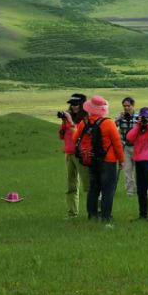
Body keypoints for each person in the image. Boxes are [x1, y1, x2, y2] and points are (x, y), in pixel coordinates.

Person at [73, 95, 125, 225]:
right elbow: (117, 143)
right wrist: (122, 160)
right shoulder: (108, 123)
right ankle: (106, 217)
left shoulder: (83, 123)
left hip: (90, 160)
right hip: (108, 161)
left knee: (93, 188)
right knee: (107, 189)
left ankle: (92, 215)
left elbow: (75, 140)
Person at [58, 92, 88, 219]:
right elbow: (61, 136)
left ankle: (96, 212)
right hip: (69, 154)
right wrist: (64, 122)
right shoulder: (68, 117)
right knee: (71, 186)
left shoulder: (86, 118)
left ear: (82, 104)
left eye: (76, 104)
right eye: (72, 104)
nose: (73, 106)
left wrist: (70, 121)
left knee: (88, 185)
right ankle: (72, 213)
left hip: (81, 154)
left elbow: (78, 134)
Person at [115, 97, 139, 196]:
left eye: (128, 106)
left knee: (140, 171)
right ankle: (130, 192)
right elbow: (112, 126)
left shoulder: (138, 117)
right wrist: (118, 119)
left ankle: (141, 190)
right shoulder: (121, 116)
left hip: (138, 147)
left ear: (133, 106)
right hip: (125, 147)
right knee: (127, 170)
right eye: (124, 106)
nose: (126, 108)